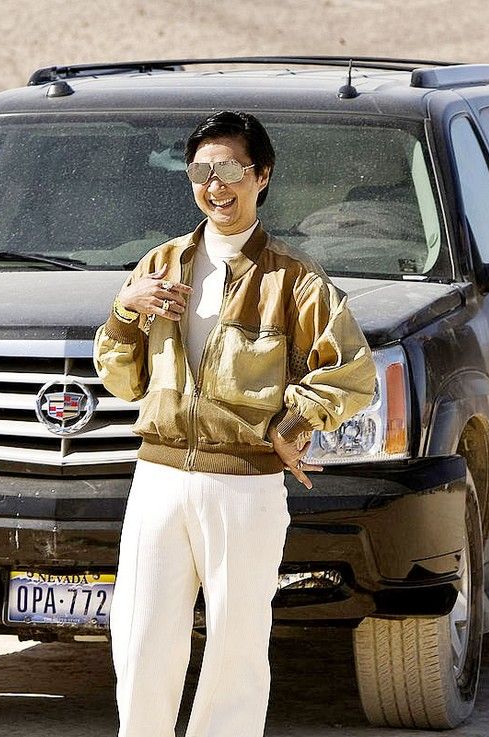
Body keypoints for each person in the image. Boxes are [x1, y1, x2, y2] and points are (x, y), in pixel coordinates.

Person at [93, 110, 376, 737]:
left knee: (237, 648)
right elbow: (122, 380)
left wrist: (294, 421)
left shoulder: (294, 281)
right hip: (158, 479)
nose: (215, 185)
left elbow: (353, 372)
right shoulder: (159, 264)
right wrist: (123, 309)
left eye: (230, 170)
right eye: (201, 171)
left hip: (244, 488)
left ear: (261, 176)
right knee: (140, 640)